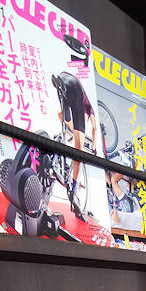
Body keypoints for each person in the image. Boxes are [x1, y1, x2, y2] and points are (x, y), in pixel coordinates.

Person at [52, 72, 97, 217]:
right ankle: (73, 189)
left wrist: (69, 132)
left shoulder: (80, 102)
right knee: (78, 152)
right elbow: (95, 128)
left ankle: (62, 137)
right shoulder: (88, 108)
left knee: (64, 117)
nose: (85, 121)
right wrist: (94, 146)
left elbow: (62, 115)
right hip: (75, 88)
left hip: (63, 78)